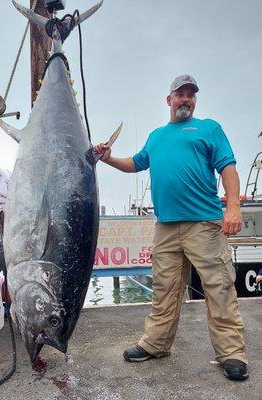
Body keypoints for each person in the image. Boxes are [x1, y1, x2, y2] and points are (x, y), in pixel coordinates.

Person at [94, 75, 248, 381]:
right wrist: (108, 159)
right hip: (165, 227)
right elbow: (135, 164)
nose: (186, 99)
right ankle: (156, 344)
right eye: (180, 94)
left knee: (219, 287)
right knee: (164, 288)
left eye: (191, 95)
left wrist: (232, 207)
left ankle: (231, 352)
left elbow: (228, 167)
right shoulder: (156, 136)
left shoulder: (209, 128)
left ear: (195, 101)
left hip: (204, 223)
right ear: (169, 100)